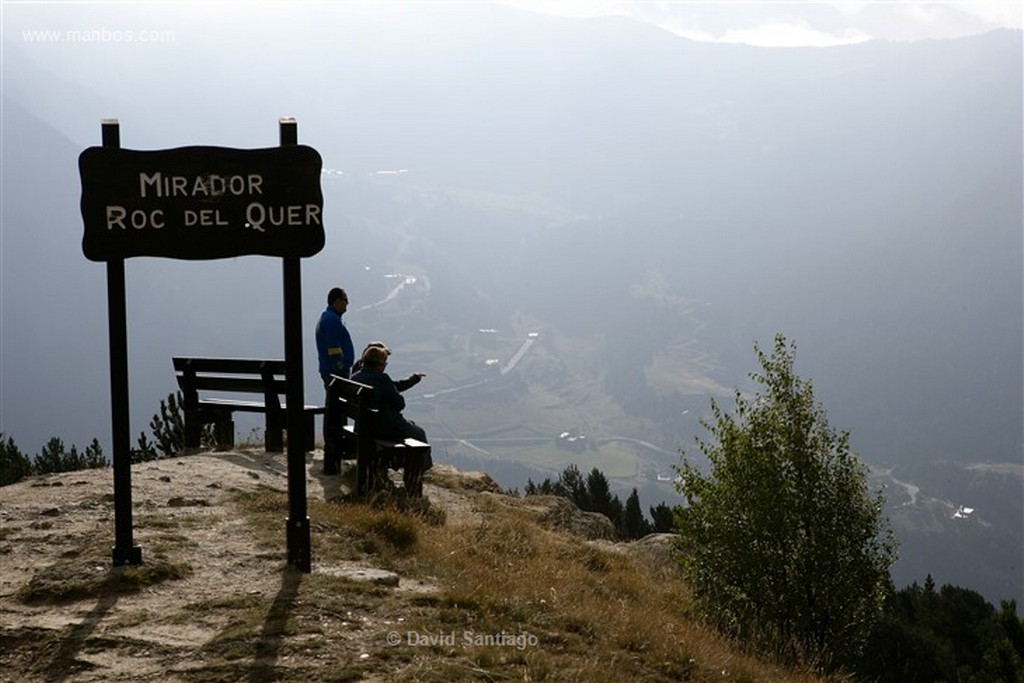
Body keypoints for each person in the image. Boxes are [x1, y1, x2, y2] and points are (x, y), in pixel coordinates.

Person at [351, 343, 432, 496]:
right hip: (385, 428)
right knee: (419, 433)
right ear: (381, 364)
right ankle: (416, 478)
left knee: (413, 428)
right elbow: (400, 404)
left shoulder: (355, 377)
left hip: (364, 428)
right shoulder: (382, 378)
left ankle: (415, 471)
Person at [316, 287, 354, 474]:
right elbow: (333, 348)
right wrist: (340, 367)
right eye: (345, 300)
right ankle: (336, 446)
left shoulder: (329, 318)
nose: (347, 303)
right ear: (337, 301)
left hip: (331, 371)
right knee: (335, 409)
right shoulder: (331, 320)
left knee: (334, 408)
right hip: (335, 372)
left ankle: (337, 445)